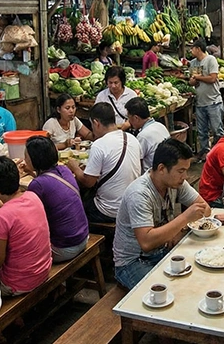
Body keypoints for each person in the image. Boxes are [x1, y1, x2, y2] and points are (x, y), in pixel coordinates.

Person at [113, 139, 210, 288]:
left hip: (161, 250)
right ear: (162, 168)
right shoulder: (139, 194)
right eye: (181, 171)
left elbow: (205, 209)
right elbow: (146, 242)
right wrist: (184, 218)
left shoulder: (176, 183)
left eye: (186, 170)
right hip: (133, 262)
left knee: (202, 273)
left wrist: (180, 229)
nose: (185, 176)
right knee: (168, 291)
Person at [0, 157, 52, 297]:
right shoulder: (32, 196)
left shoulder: (0, 217)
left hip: (18, 283)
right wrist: (1, 205)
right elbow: (16, 210)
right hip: (43, 270)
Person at [66, 103, 142, 223]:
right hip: (133, 204)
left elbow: (88, 182)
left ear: (96, 123)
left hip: (110, 210)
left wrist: (75, 168)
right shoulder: (132, 139)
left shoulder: (99, 144)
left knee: (73, 208)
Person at [20, 136, 89, 262]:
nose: (24, 159)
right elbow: (49, 183)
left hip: (64, 248)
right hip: (83, 238)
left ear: (35, 160)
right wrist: (31, 173)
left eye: (26, 157)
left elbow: (25, 216)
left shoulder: (38, 185)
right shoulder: (64, 170)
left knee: (19, 245)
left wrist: (1, 205)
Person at [188, 39, 224, 157]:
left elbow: (213, 78)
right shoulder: (193, 63)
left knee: (217, 130)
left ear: (198, 49)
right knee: (202, 131)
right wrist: (193, 81)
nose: (191, 51)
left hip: (213, 102)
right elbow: (192, 81)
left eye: (192, 48)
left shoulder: (211, 60)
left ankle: (220, 152)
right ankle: (205, 152)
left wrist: (198, 77)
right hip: (200, 103)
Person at [126, 97, 169, 171]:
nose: (128, 121)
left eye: (129, 117)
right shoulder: (160, 126)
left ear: (136, 118)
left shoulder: (143, 136)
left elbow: (135, 161)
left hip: (153, 173)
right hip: (167, 168)